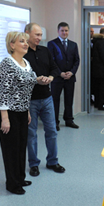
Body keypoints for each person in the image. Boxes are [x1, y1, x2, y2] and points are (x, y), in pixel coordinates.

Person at [0, 31, 41, 194]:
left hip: (22, 110)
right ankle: (12, 184)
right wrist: (5, 119)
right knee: (11, 149)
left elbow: (26, 90)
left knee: (21, 146)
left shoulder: (26, 63)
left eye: (26, 41)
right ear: (12, 45)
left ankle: (20, 178)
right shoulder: (6, 64)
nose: (26, 44)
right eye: (21, 41)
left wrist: (27, 110)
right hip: (9, 112)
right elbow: (2, 92)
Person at [24, 23, 65, 177]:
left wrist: (50, 77)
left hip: (47, 98)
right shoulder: (22, 53)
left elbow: (54, 68)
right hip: (30, 100)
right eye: (37, 35)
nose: (40, 38)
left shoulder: (45, 51)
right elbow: (21, 77)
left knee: (52, 131)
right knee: (31, 133)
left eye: (41, 35)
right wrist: (36, 80)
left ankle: (53, 161)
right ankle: (34, 164)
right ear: (27, 34)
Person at [47, 22, 80, 131]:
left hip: (70, 77)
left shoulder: (73, 44)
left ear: (68, 31)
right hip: (57, 78)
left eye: (66, 30)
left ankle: (69, 120)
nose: (64, 32)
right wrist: (59, 73)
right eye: (62, 30)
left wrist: (72, 72)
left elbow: (77, 60)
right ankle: (55, 122)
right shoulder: (52, 44)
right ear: (58, 31)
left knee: (69, 100)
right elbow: (51, 61)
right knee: (55, 100)